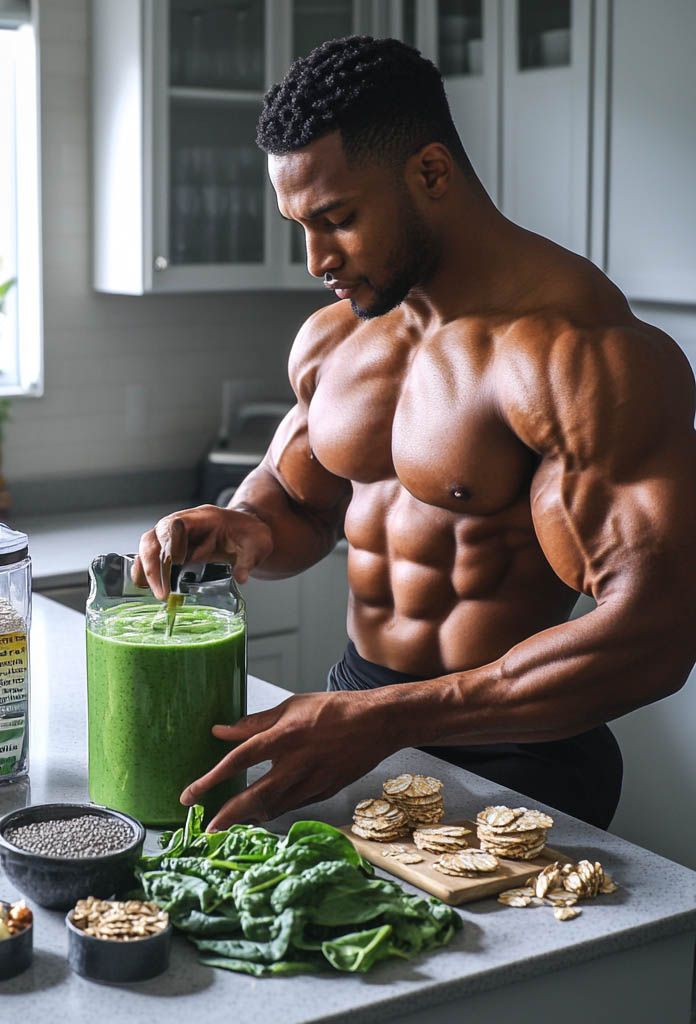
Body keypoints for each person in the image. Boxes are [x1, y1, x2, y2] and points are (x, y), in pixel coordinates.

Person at [134, 36, 696, 833]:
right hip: (353, 720)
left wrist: (391, 719)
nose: (316, 259)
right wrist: (243, 524)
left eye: (338, 219)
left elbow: (657, 634)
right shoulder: (336, 338)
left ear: (431, 173)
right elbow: (300, 502)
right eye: (300, 225)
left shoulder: (576, 354)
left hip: (516, 759)